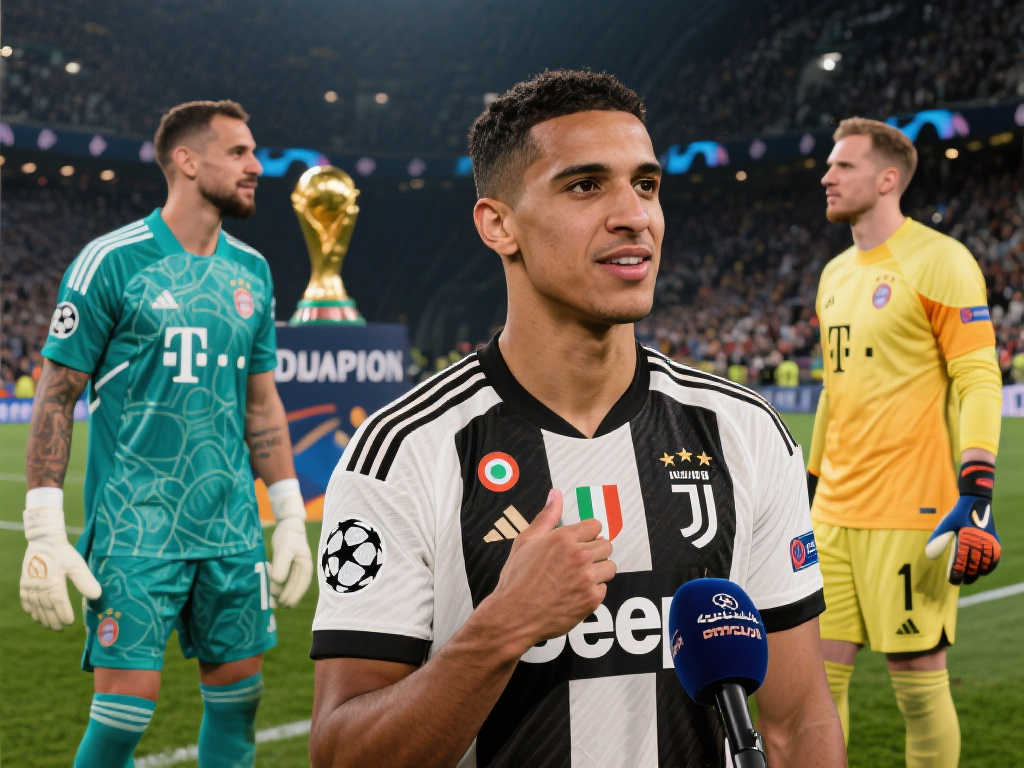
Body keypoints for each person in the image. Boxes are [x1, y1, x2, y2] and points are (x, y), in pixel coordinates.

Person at [309, 70, 845, 767]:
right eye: (586, 185)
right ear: (499, 224)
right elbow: (342, 755)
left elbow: (799, 723)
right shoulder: (405, 452)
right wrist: (501, 630)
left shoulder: (743, 431)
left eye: (645, 185)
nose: (634, 215)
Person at [19, 100, 314, 767]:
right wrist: (43, 527)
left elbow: (261, 403)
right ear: (187, 161)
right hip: (137, 526)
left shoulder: (253, 271)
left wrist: (290, 514)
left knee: (239, 708)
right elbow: (57, 396)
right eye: (238, 152)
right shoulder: (111, 262)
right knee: (121, 720)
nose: (255, 166)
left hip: (231, 527)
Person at [810, 117, 1003, 767]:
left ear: (888, 179)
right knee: (816, 687)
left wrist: (977, 491)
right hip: (832, 517)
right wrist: (806, 491)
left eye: (843, 166)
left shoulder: (941, 261)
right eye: (829, 165)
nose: (827, 176)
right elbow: (834, 391)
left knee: (917, 691)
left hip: (912, 515)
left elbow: (978, 378)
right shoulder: (834, 274)